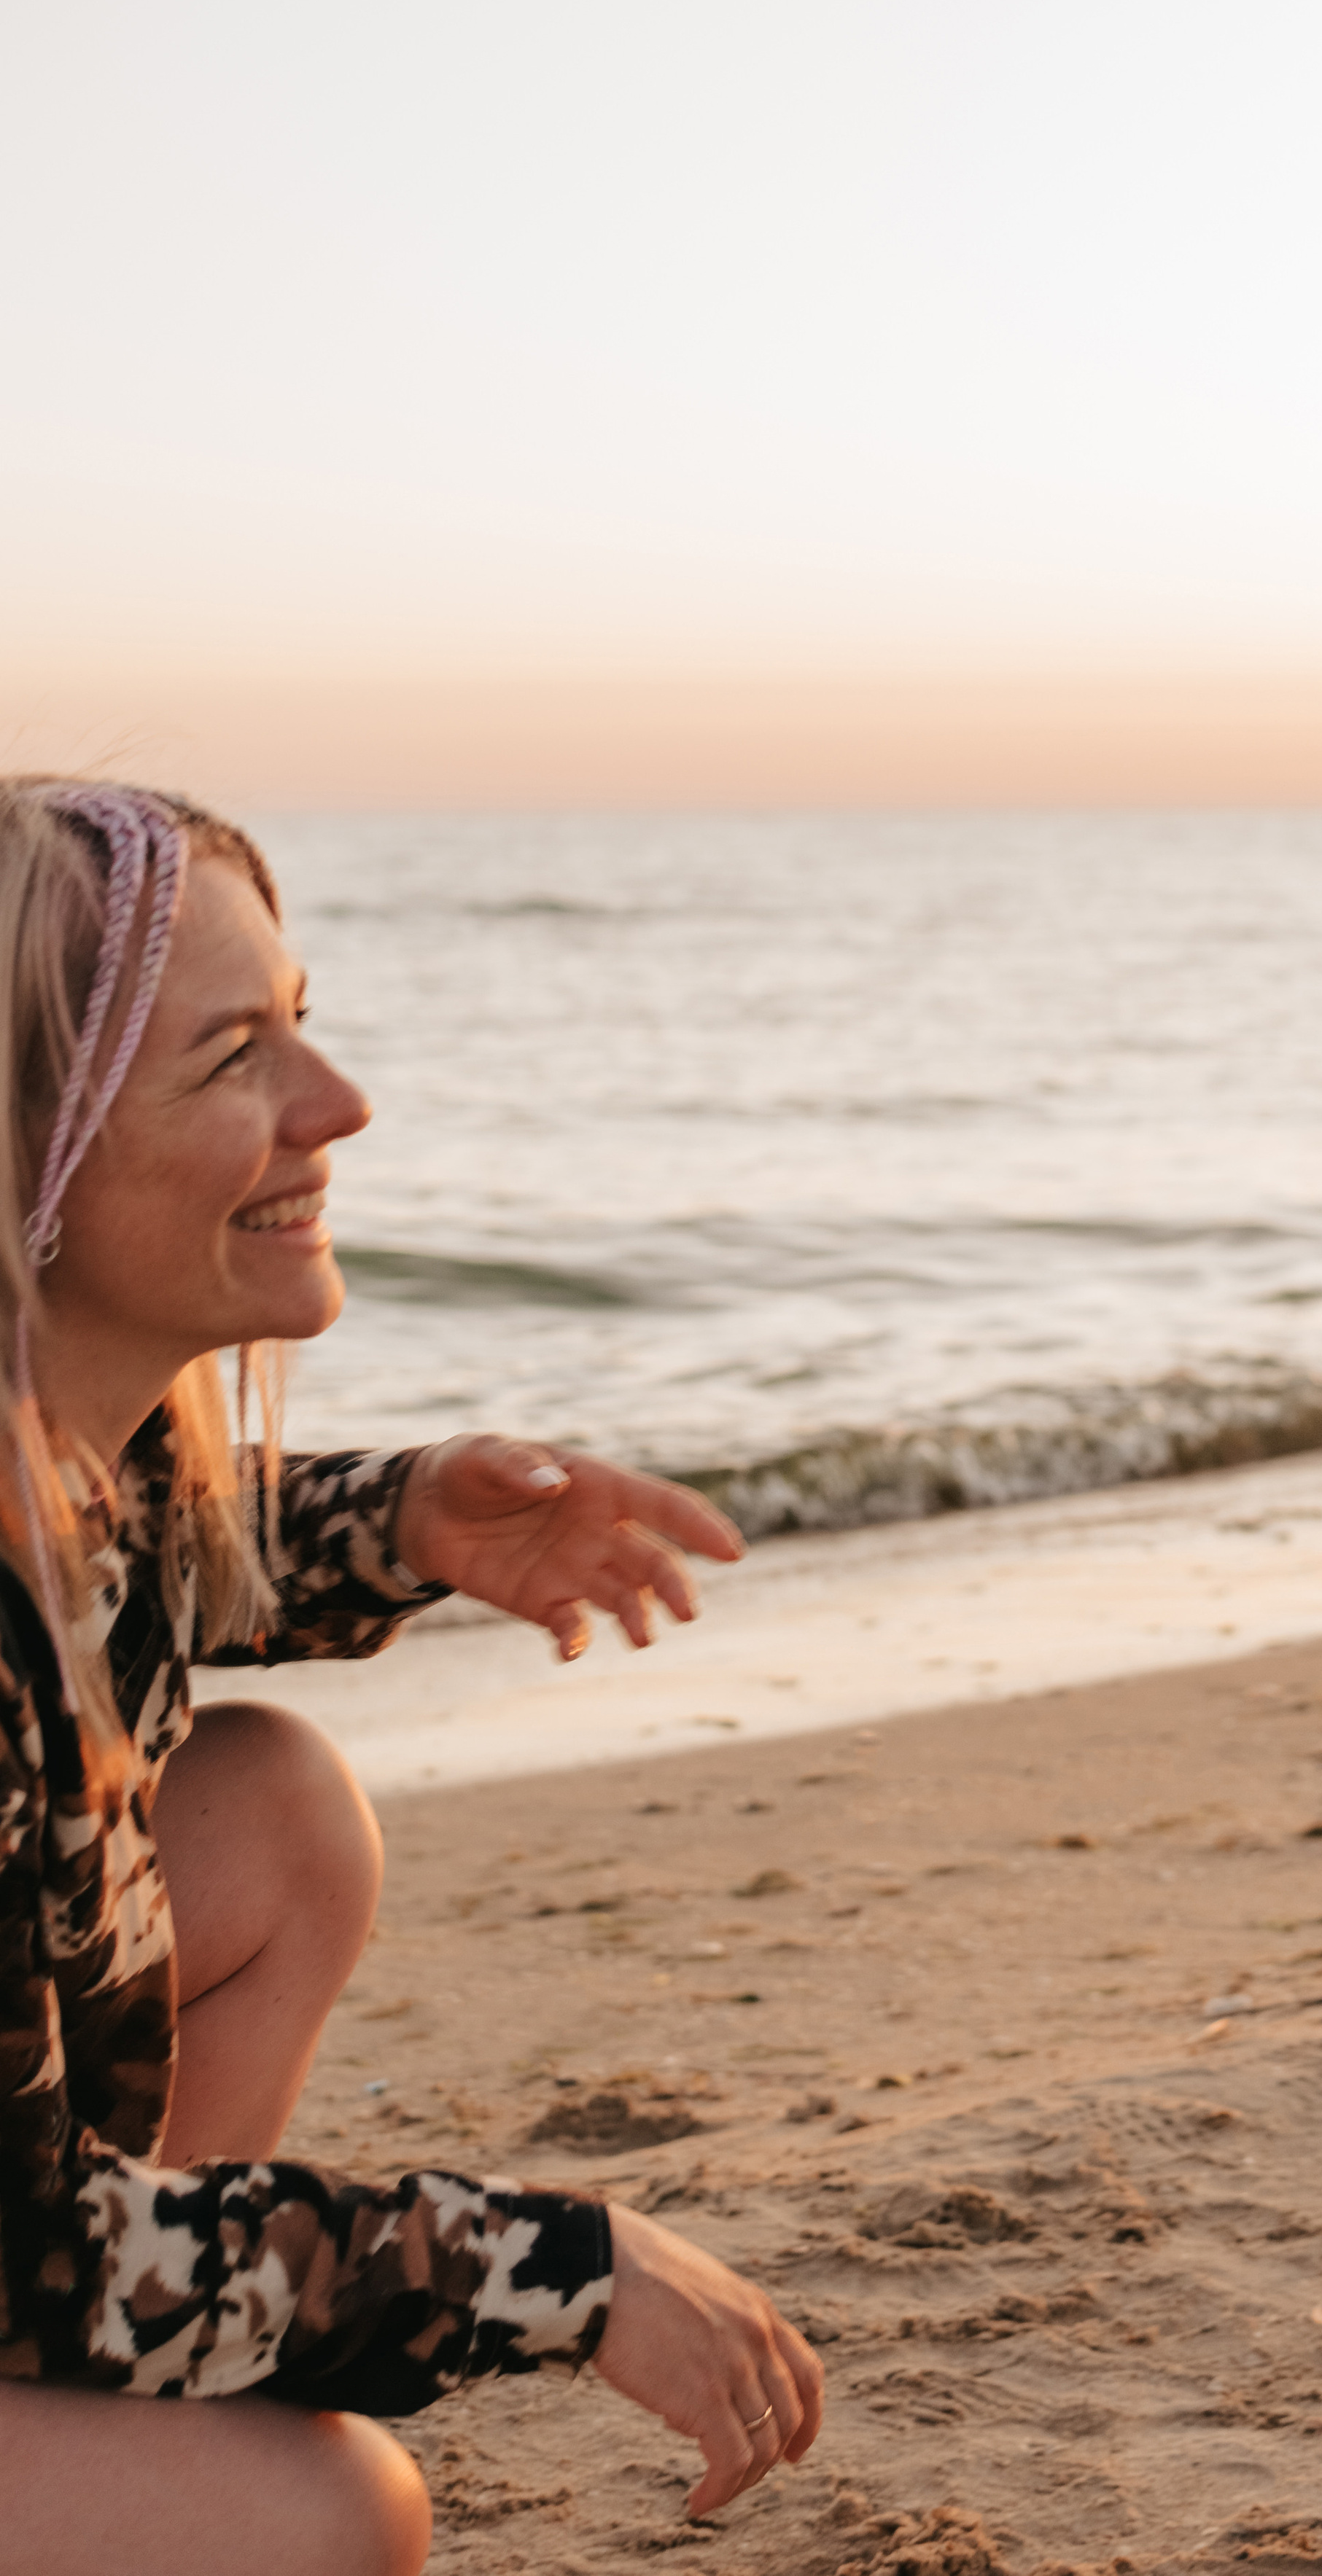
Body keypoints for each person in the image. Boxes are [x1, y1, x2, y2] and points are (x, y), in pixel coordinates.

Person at [0, 780, 823, 2576]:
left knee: (277, 1804)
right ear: (29, 1161)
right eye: (232, 1056)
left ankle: (126, 2418)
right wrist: (558, 2272)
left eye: (304, 1022)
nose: (337, 1105)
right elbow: (21, 2256)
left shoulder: (60, 1455)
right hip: (15, 2253)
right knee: (320, 2519)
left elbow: (157, 1558)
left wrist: (412, 1522)